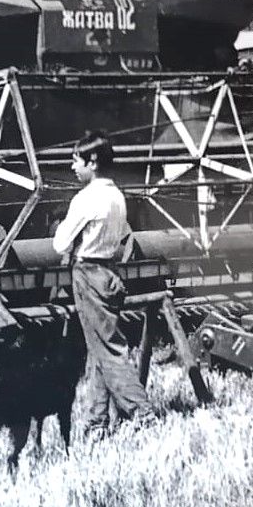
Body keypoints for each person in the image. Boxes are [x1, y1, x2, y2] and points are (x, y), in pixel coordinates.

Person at [52, 131, 157, 439]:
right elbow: (124, 237)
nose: (72, 167)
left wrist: (62, 227)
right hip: (110, 274)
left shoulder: (85, 199)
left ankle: (142, 414)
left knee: (110, 350)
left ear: (92, 162)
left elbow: (60, 244)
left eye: (76, 161)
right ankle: (97, 422)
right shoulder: (116, 196)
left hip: (88, 274)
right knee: (99, 348)